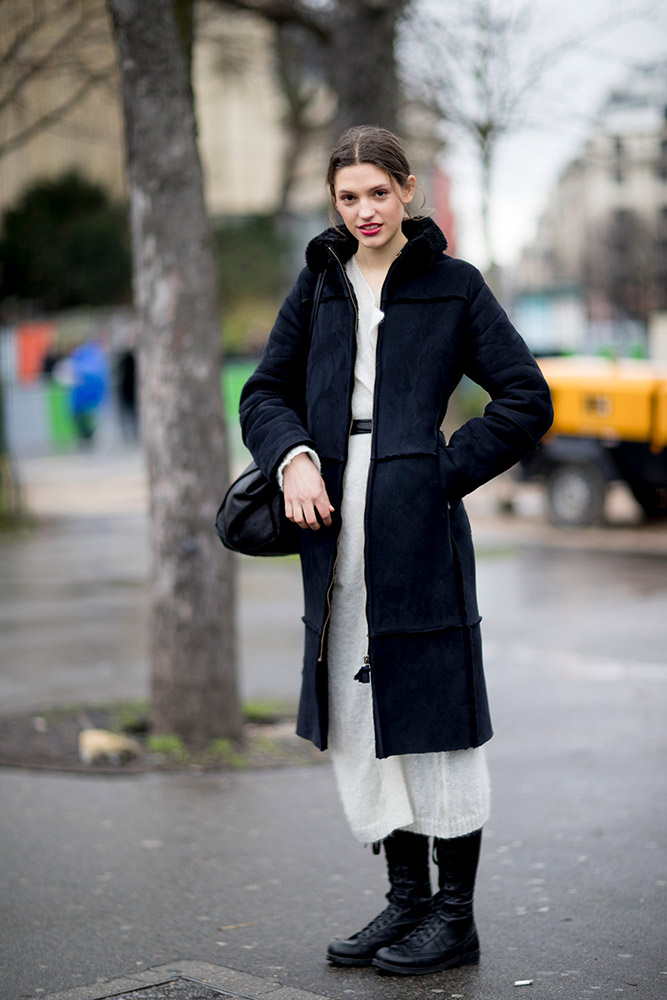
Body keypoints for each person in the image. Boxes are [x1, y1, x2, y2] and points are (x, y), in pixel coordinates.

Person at [239, 125, 553, 976]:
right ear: (333, 203)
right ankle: (406, 904)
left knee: (434, 716)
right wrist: (294, 455)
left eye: (378, 192)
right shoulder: (318, 282)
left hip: (417, 526)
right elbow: (264, 389)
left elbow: (525, 398)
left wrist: (440, 473)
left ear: (407, 190)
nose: (365, 210)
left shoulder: (454, 287)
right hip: (330, 522)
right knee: (362, 711)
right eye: (348, 197)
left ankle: (454, 920)